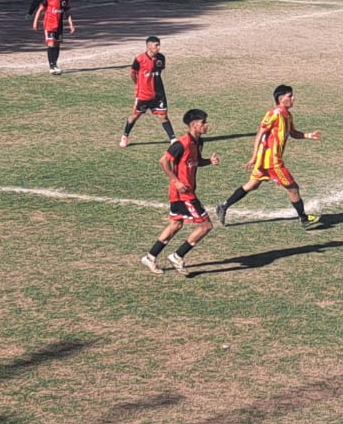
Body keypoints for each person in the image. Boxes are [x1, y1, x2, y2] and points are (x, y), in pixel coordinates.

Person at [216, 85, 321, 229]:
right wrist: (253, 157)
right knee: (293, 188)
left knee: (252, 185)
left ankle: (223, 206)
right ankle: (304, 219)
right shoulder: (274, 113)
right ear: (280, 98)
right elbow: (260, 133)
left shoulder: (287, 115)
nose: (293, 98)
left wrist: (309, 135)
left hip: (265, 162)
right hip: (272, 161)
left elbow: (293, 133)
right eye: (290, 96)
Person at [141, 108, 223, 275]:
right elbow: (163, 161)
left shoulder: (199, 142)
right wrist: (176, 180)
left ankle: (150, 257)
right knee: (206, 225)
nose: (207, 125)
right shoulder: (181, 143)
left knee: (176, 224)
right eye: (203, 123)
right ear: (193, 125)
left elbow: (195, 161)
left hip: (184, 191)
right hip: (182, 192)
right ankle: (178, 256)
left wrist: (209, 161)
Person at [121, 36, 175, 146]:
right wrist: (138, 84)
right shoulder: (139, 59)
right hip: (143, 95)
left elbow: (158, 72)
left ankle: (173, 139)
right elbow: (132, 73)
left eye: (159, 45)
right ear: (149, 46)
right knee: (135, 115)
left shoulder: (161, 58)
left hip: (159, 94)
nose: (159, 48)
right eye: (156, 45)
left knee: (163, 116)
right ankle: (125, 136)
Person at [31, 0, 75, 74]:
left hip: (59, 25)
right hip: (49, 25)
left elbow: (68, 13)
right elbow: (40, 10)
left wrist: (71, 24)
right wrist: (35, 22)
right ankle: (52, 66)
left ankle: (55, 64)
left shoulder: (65, 0)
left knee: (57, 44)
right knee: (51, 44)